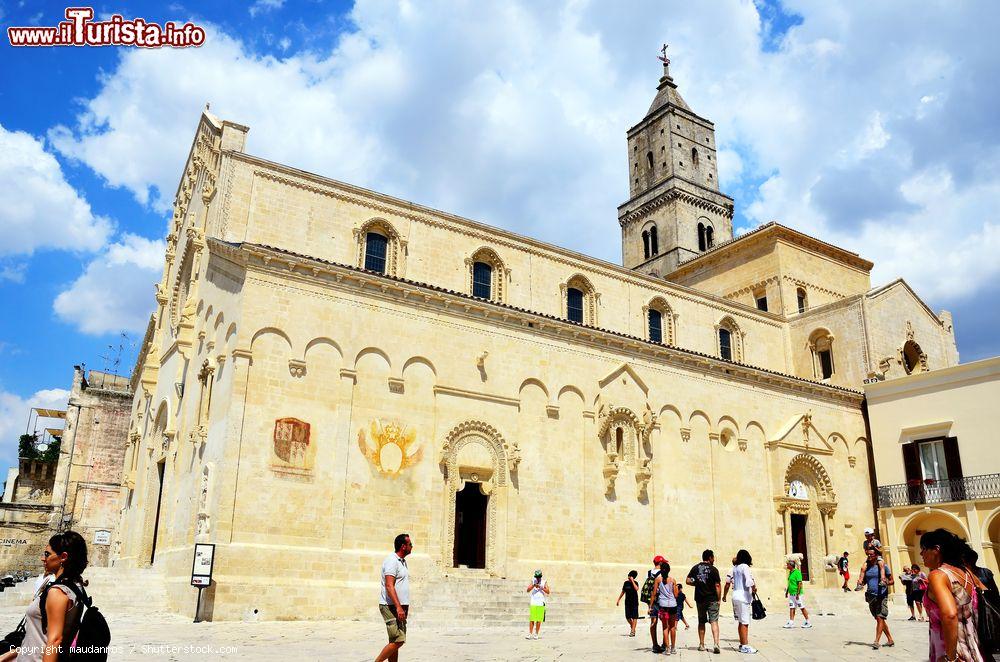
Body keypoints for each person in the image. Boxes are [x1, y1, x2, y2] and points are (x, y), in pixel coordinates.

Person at [2, 531, 87, 662]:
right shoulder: (75, 588)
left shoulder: (58, 592)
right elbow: (41, 637)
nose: (43, 558)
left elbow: (54, 641)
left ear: (63, 557)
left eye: (47, 554)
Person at [920, 528, 983, 662]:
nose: (921, 553)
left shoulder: (938, 575)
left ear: (936, 549)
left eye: (924, 548)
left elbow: (950, 615)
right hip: (972, 647)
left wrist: (951, 657)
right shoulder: (966, 573)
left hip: (951, 650)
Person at [376, 533, 412, 662]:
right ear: (403, 546)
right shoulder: (392, 561)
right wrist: (398, 607)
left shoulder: (402, 562)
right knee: (399, 640)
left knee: (395, 641)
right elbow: (389, 586)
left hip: (398, 607)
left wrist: (403, 607)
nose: (412, 547)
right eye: (410, 544)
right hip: (390, 606)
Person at [857, 545, 895, 650]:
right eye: (868, 554)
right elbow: (864, 581)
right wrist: (860, 584)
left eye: (871, 554)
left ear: (876, 555)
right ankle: (890, 639)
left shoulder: (883, 566)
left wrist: (885, 582)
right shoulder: (867, 567)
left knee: (880, 617)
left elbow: (892, 581)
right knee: (879, 619)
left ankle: (876, 641)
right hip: (871, 596)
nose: (869, 556)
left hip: (881, 595)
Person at [965, 548, 999, 655]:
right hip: (979, 608)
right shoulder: (983, 572)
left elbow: (994, 592)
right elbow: (995, 592)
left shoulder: (968, 575)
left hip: (983, 608)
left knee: (986, 634)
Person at [687, 549, 722, 654]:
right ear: (710, 558)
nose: (714, 559)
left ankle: (701, 645)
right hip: (712, 599)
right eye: (713, 557)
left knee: (701, 622)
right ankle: (716, 643)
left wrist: (697, 582)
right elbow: (717, 585)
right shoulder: (714, 570)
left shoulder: (695, 568)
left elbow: (688, 580)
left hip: (700, 599)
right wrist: (719, 599)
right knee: (714, 621)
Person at [723, 549, 757, 654]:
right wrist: (754, 587)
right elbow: (748, 581)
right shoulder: (745, 567)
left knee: (741, 621)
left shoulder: (735, 568)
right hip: (743, 597)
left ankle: (742, 644)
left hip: (735, 595)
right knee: (745, 622)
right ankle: (745, 646)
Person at [650, 561, 679, 655]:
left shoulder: (658, 580)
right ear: (669, 570)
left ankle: (667, 648)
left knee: (665, 627)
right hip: (672, 605)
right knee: (672, 627)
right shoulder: (673, 580)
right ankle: (673, 648)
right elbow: (676, 595)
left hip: (662, 605)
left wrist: (650, 606)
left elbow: (654, 593)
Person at [646, 555, 667, 653]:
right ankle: (664, 644)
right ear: (661, 563)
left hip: (651, 601)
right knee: (664, 622)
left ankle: (654, 644)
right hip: (661, 600)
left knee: (653, 622)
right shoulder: (661, 574)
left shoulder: (649, 573)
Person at [783, 559, 812, 629]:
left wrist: (798, 593)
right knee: (792, 607)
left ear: (791, 565)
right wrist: (787, 592)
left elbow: (799, 583)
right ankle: (791, 622)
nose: (786, 566)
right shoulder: (790, 572)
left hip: (797, 594)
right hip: (791, 594)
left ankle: (808, 621)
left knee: (801, 607)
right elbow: (790, 583)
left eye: (787, 565)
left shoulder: (797, 572)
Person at [526, 569, 550, 640]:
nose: (538, 578)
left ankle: (536, 634)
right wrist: (533, 585)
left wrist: (541, 587)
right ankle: (530, 634)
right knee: (532, 619)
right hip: (533, 602)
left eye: (539, 577)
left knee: (539, 620)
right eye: (537, 577)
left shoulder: (544, 582)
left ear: (541, 576)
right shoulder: (533, 581)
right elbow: (528, 590)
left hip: (541, 603)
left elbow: (548, 591)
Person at [616, 570, 639, 637]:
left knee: (634, 616)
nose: (628, 576)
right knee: (628, 617)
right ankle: (633, 627)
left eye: (630, 575)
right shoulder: (625, 583)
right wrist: (618, 599)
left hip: (634, 602)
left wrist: (632, 581)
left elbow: (637, 589)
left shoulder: (636, 583)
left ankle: (632, 631)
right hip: (627, 602)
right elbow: (623, 592)